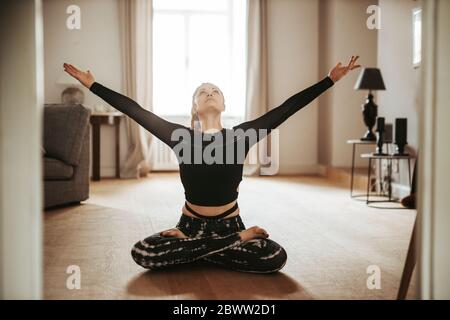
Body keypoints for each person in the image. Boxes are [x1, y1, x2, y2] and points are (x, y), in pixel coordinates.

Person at [63, 55, 361, 273]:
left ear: (224, 104)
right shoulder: (179, 136)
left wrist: (329, 80)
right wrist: (93, 85)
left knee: (275, 257)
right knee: (142, 252)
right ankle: (235, 243)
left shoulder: (242, 135)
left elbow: (287, 108)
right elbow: (135, 110)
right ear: (195, 107)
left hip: (229, 221)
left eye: (215, 91)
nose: (209, 94)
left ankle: (195, 251)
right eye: (202, 92)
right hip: (189, 224)